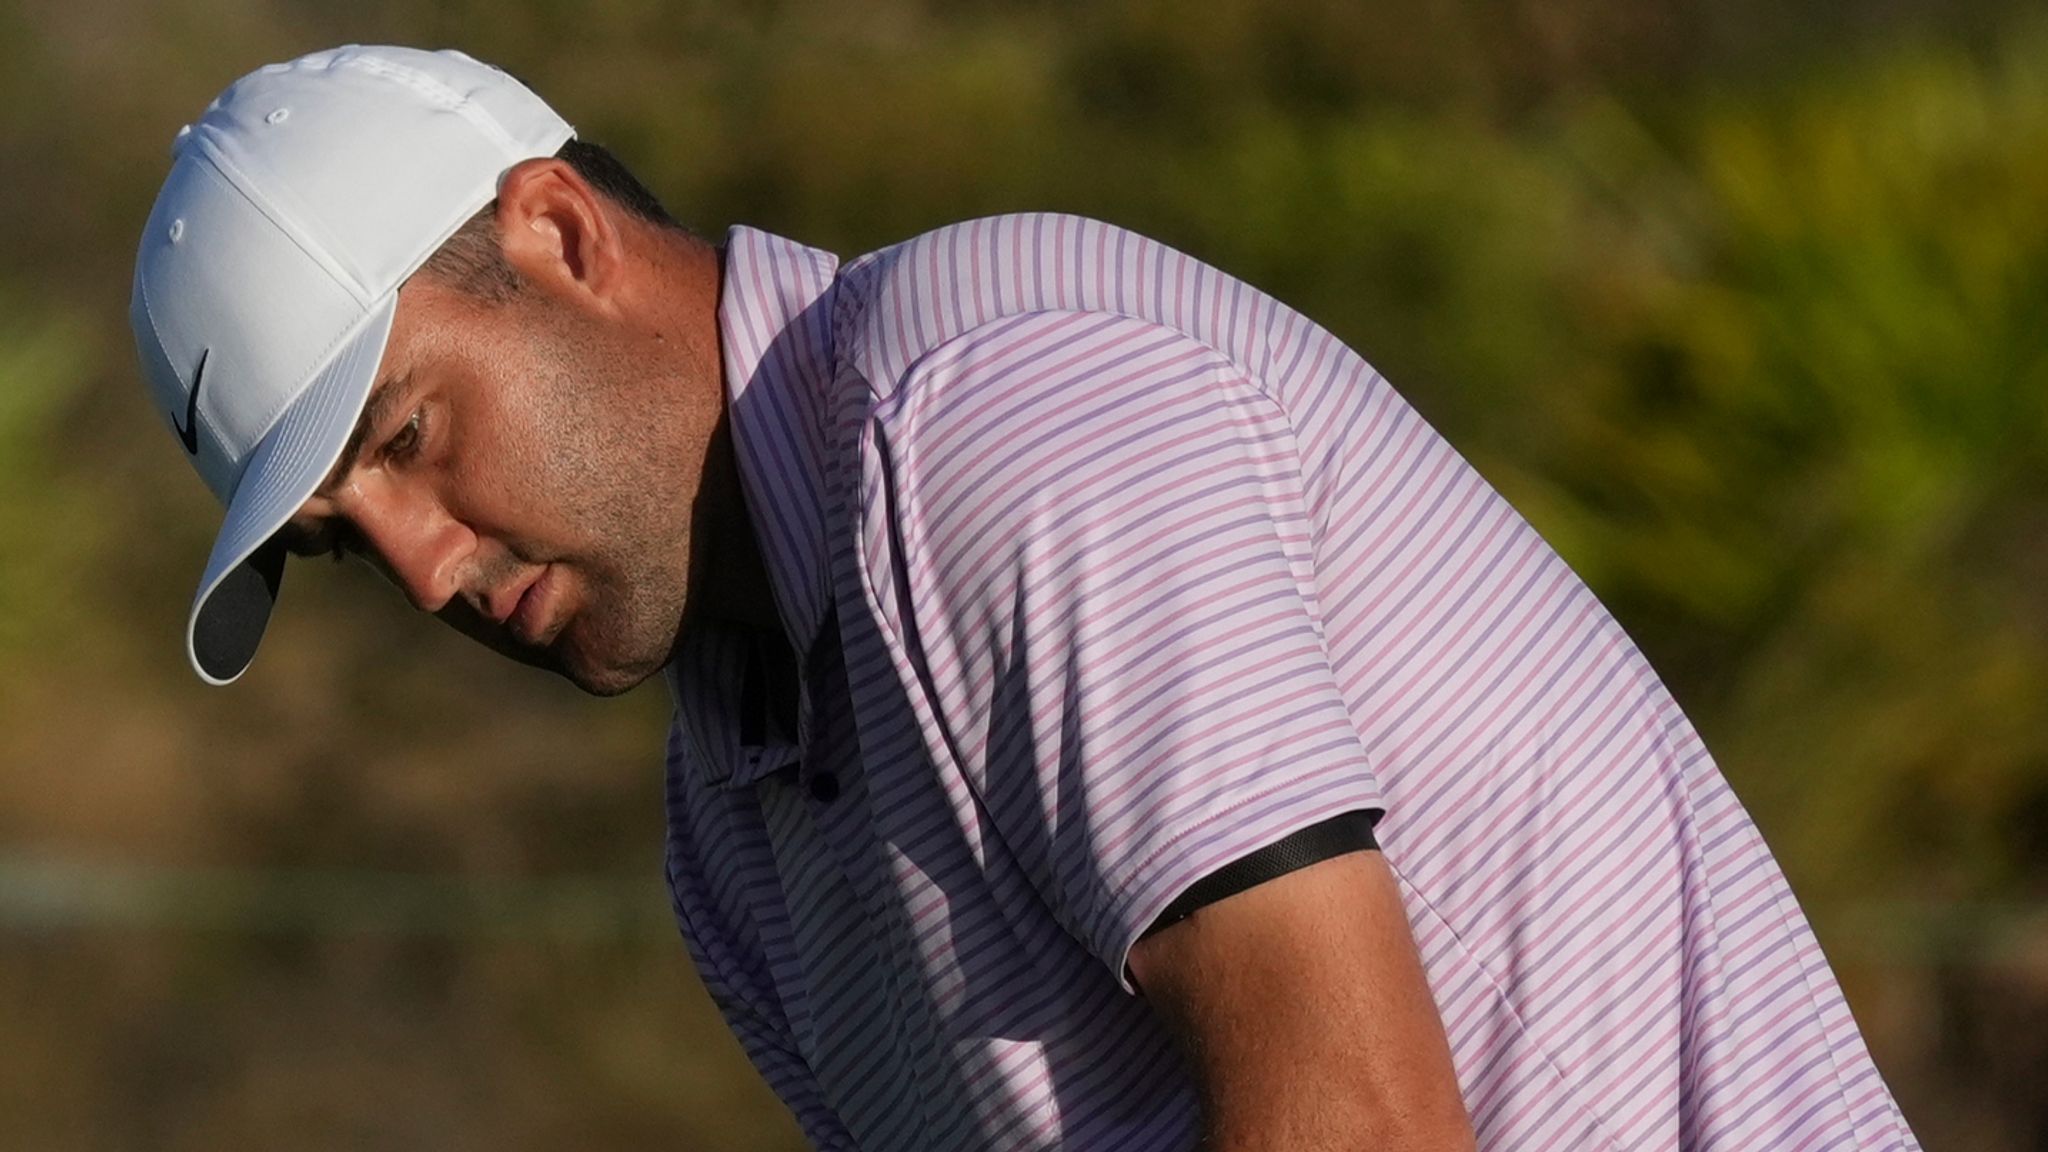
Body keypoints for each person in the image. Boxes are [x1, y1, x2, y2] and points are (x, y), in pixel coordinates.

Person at [130, 45, 1921, 1151]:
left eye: (412, 436)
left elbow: (1360, 1133)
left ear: (559, 237)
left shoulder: (989, 408)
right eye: (347, 542)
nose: (426, 564)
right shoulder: (731, 832)